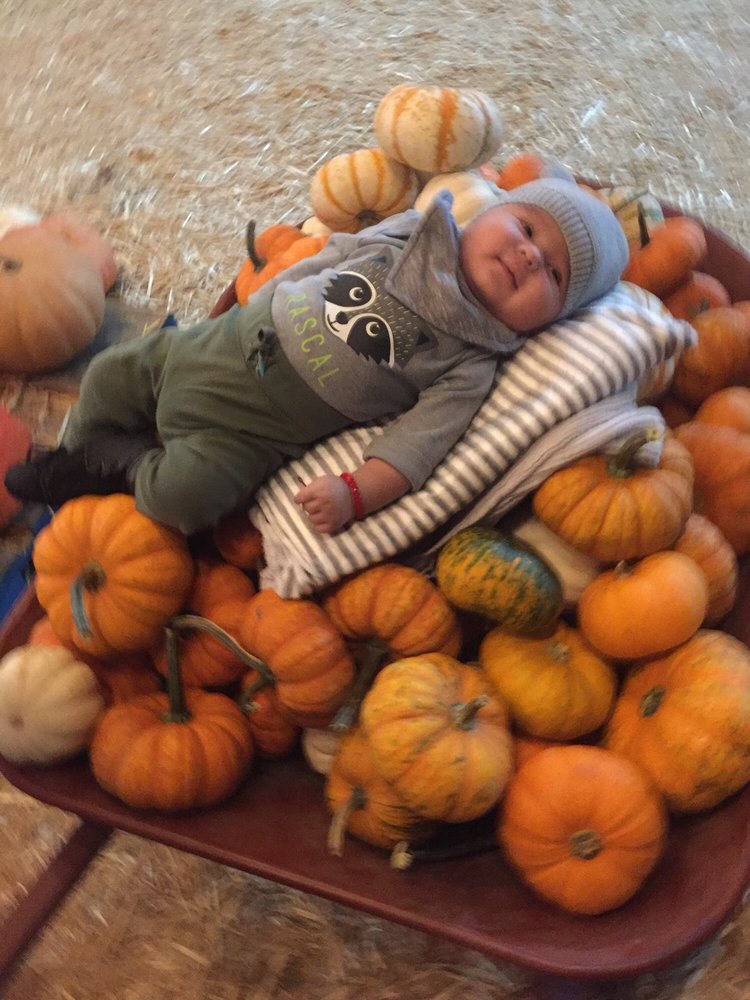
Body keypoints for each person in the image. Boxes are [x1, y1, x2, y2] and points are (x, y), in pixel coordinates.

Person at [5, 178, 628, 537]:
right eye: (526, 228)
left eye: (554, 274)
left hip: (248, 429)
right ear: (491, 211)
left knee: (184, 499)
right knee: (110, 373)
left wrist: (355, 493)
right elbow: (333, 254)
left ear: (551, 319)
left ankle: (118, 467)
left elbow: (416, 447)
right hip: (211, 346)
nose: (528, 256)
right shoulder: (409, 232)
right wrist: (266, 294)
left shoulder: (471, 361)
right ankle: (72, 459)